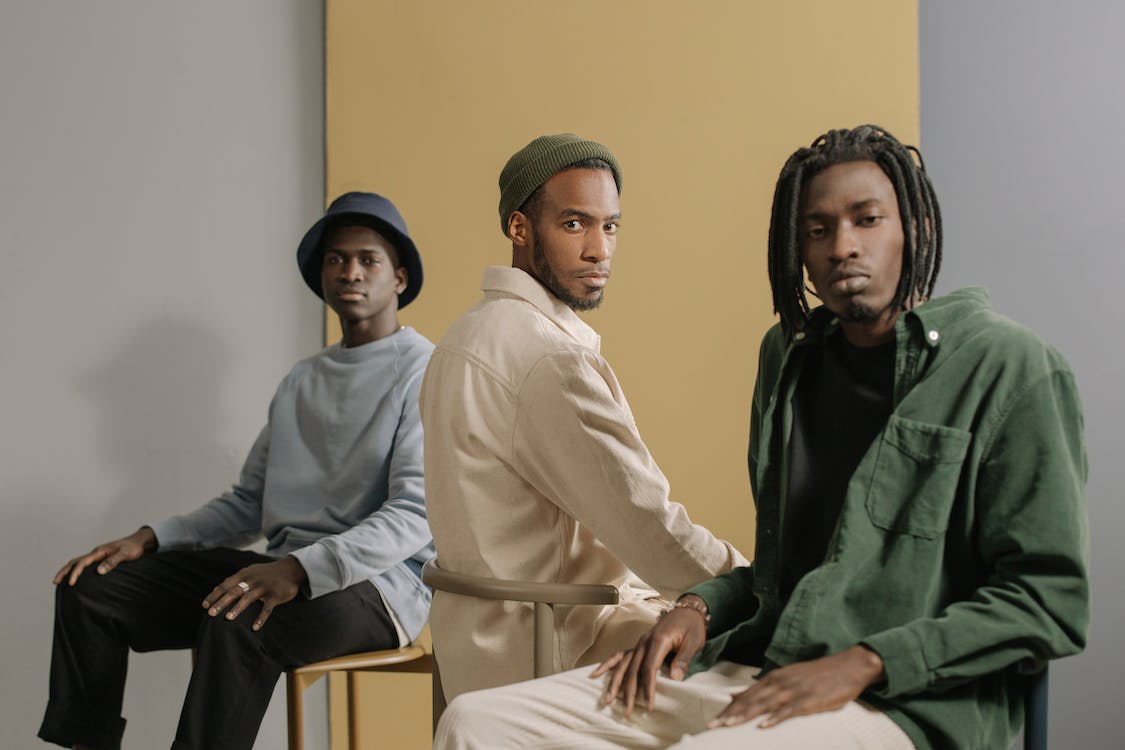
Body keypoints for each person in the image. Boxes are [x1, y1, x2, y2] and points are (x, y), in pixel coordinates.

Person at [432, 125, 1090, 750]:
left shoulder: (1009, 366)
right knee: (475, 721)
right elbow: (782, 573)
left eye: (867, 219)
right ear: (796, 247)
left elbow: (1047, 600)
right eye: (818, 229)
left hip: (905, 699)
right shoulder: (789, 360)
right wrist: (700, 606)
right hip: (765, 660)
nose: (842, 246)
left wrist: (865, 661)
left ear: (914, 227)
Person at [39, 192, 436, 750]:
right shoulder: (302, 380)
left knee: (242, 617)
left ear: (399, 278)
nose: (350, 272)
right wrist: (150, 538)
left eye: (368, 260)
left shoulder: (424, 371)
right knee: (92, 588)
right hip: (284, 569)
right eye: (336, 259)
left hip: (378, 588)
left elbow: (415, 514)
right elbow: (250, 502)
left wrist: (300, 569)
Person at [420, 133, 748, 701]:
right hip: (552, 645)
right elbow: (649, 527)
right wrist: (753, 588)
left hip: (470, 646)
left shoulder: (461, 336)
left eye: (610, 226)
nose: (599, 250)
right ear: (520, 228)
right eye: (574, 224)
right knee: (765, 671)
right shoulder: (548, 358)